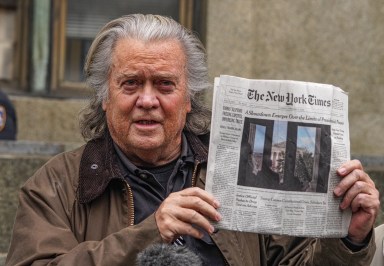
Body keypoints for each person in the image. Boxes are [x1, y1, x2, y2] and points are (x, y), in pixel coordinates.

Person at [6, 14, 380, 265]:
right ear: (105, 97)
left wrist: (349, 240)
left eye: (165, 84)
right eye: (131, 83)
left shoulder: (238, 167)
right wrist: (151, 232)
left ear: (188, 100)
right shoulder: (56, 184)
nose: (148, 100)